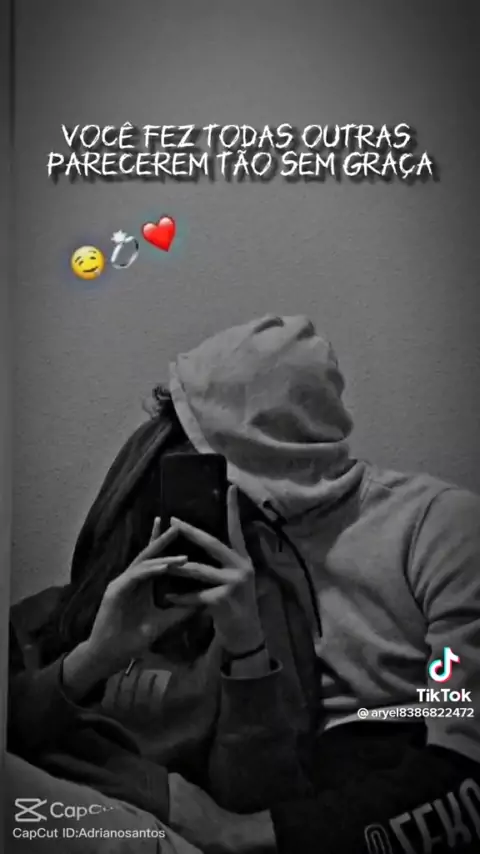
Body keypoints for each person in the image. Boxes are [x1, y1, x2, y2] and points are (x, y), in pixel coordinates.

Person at [7, 314, 480, 854]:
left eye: (194, 430)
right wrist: (94, 660)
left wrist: (240, 833)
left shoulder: (439, 529)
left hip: (374, 790)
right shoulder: (235, 545)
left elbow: (463, 765)